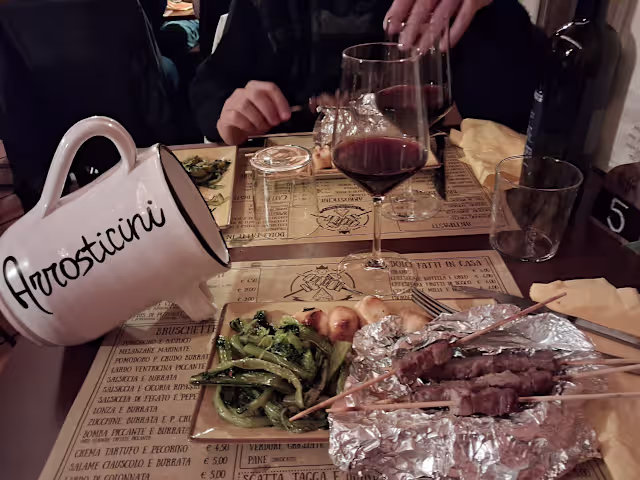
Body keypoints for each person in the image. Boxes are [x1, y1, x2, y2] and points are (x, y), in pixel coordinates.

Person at [191, 0, 548, 145]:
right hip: (292, 179)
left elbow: (526, 101)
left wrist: (490, 9)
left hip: (424, 186)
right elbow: (211, 85)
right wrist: (229, 113)